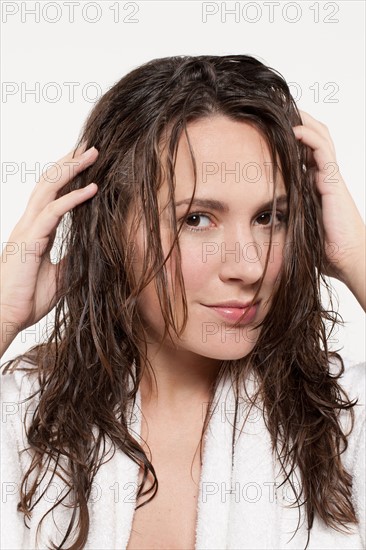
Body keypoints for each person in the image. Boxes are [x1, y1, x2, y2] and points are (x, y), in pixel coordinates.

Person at [0, 55, 365, 550]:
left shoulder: (343, 422)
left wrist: (356, 257)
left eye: (270, 217)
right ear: (110, 229)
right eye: (197, 219)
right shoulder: (25, 418)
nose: (250, 266)